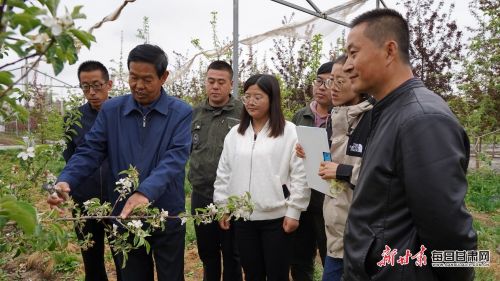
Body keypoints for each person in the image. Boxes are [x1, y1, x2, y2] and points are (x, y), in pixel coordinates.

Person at [341, 9, 477, 281]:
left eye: (354, 53)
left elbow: (448, 228)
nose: (346, 65)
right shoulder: (387, 110)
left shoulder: (422, 119)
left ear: (390, 51)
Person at [48, 44, 192, 281]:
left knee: (171, 275)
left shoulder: (181, 112)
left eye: (147, 79)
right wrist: (66, 179)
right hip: (124, 213)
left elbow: (174, 159)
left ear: (164, 77)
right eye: (133, 77)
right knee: (132, 274)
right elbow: (90, 149)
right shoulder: (112, 110)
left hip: (166, 213)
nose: (138, 85)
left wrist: (145, 192)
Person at [214, 74, 310, 281]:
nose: (250, 102)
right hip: (243, 218)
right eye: (247, 96)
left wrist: (294, 210)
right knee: (252, 274)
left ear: (272, 99)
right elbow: (224, 172)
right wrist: (222, 205)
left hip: (277, 219)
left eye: (258, 97)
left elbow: (300, 174)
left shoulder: (289, 131)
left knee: (278, 274)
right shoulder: (235, 134)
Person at [64, 60, 121, 281]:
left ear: (110, 84)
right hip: (84, 202)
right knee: (92, 259)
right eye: (85, 87)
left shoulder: (123, 114)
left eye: (97, 86)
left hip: (118, 201)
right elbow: (71, 158)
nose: (92, 93)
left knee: (124, 256)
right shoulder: (74, 119)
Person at [188, 60, 243, 281]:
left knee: (233, 254)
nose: (215, 87)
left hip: (233, 197)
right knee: (208, 253)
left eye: (221, 82)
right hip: (201, 195)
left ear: (231, 84)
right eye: (211, 81)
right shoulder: (195, 114)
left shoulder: (243, 113)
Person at [290, 61, 333, 281]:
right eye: (319, 81)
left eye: (329, 82)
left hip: (329, 200)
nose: (322, 87)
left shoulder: (343, 116)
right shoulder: (301, 116)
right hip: (303, 198)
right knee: (300, 257)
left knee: (331, 257)